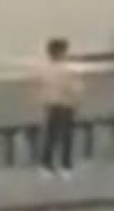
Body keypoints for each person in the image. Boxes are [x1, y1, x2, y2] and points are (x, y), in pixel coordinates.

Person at [35, 38, 84, 178]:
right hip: (66, 105)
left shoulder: (44, 70)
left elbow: (39, 86)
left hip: (51, 106)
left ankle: (46, 165)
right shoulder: (67, 70)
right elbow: (74, 89)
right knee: (66, 137)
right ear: (61, 52)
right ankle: (65, 166)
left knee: (51, 137)